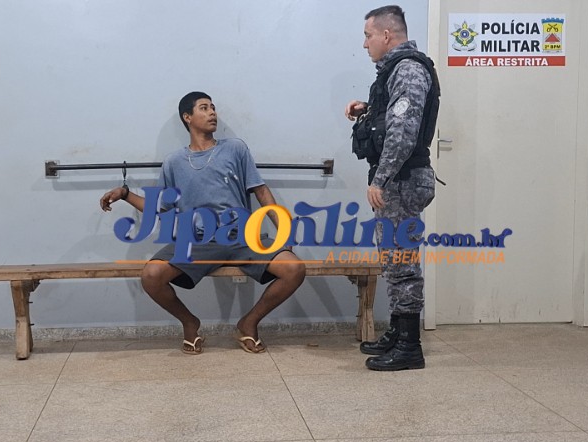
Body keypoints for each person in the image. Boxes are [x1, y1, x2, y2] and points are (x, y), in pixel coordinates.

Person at [100, 91, 305, 355]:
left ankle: (248, 323)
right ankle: (190, 323)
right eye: (204, 108)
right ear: (187, 117)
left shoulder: (235, 149)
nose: (212, 113)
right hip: (197, 241)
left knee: (294, 269)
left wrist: (284, 230)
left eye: (213, 107)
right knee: (151, 276)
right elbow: (159, 207)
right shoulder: (174, 162)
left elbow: (261, 192)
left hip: (243, 238)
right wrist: (125, 194)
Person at [344, 5, 439, 371]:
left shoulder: (408, 69)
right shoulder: (396, 71)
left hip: (401, 180)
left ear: (386, 35)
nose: (365, 44)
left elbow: (403, 132)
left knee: (402, 262)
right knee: (394, 260)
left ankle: (409, 346)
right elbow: (396, 114)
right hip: (399, 179)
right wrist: (369, 109)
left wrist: (380, 179)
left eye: (368, 36)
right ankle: (399, 334)